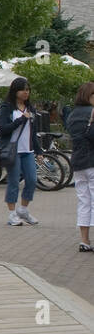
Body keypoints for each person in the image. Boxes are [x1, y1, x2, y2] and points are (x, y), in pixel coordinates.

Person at [0, 76, 40, 227]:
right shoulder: (7, 107)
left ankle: (23, 210)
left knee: (32, 180)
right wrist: (21, 119)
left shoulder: (31, 109)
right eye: (23, 89)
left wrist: (38, 150)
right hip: (12, 150)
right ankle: (12, 214)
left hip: (27, 150)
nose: (26, 92)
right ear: (15, 91)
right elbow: (3, 129)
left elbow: (32, 132)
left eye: (28, 90)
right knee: (14, 181)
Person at [66, 81, 94, 253]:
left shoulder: (72, 114)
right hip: (92, 160)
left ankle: (84, 240)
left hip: (77, 162)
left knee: (84, 201)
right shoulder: (92, 112)